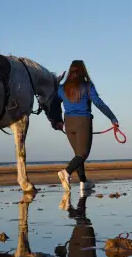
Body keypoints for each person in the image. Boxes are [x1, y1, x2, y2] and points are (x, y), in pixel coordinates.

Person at [51, 60, 119, 193]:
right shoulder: (87, 86)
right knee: (83, 154)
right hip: (83, 121)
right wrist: (112, 118)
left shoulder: (61, 88)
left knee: (78, 154)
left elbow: (53, 106)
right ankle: (66, 172)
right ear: (83, 71)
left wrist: (57, 122)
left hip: (68, 123)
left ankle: (83, 182)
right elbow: (98, 103)